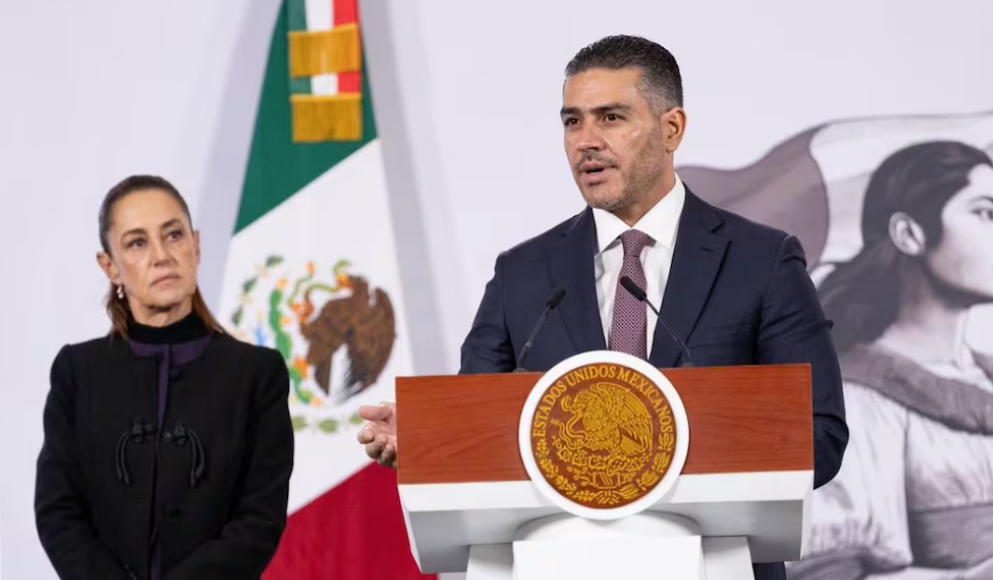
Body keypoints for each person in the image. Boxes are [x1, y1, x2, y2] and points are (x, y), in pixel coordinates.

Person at [357, 35, 849, 580]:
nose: (586, 142)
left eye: (611, 118)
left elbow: (820, 436)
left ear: (671, 129)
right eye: (572, 122)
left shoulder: (761, 260)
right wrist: (430, 440)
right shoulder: (523, 273)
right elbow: (476, 425)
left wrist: (655, 453)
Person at [34, 175, 295, 580]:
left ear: (196, 246)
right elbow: (58, 511)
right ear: (110, 266)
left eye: (174, 235)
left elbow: (259, 519)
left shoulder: (257, 374)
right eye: (137, 243)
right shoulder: (77, 372)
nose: (161, 256)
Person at [786, 141, 993, 580]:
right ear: (909, 234)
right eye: (985, 213)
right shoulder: (853, 399)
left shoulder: (982, 377)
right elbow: (833, 570)